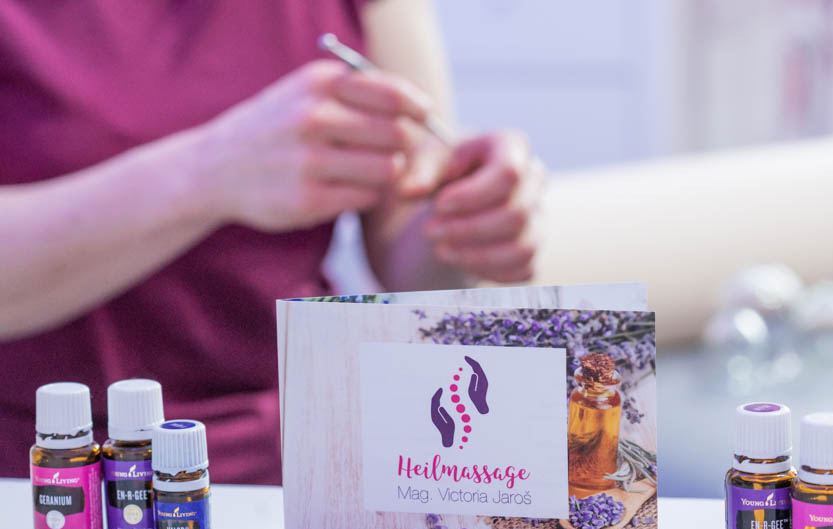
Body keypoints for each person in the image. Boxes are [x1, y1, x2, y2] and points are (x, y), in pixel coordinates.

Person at [0, 0, 545, 483]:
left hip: (303, 455)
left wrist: (467, 219)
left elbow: (409, 257)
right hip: (46, 470)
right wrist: (210, 171)